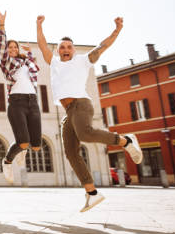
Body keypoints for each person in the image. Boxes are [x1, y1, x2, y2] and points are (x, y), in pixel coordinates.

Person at [36, 15, 143, 212]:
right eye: (62, 47)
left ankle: (126, 140)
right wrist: (39, 26)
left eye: (69, 47)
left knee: (85, 133)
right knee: (70, 152)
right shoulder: (55, 63)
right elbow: (42, 46)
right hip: (68, 112)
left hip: (82, 105)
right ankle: (92, 193)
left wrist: (116, 31)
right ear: (58, 51)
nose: (66, 50)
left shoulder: (83, 61)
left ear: (74, 50)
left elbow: (102, 46)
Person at [0, 9, 41, 183]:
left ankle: (24, 150)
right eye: (10, 47)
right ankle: (7, 161)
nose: (12, 49)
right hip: (17, 102)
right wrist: (2, 24)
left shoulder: (27, 62)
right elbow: (2, 44)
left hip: (33, 101)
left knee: (36, 146)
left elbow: (36, 71)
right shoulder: (7, 62)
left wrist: (29, 55)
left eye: (15, 47)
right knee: (22, 142)